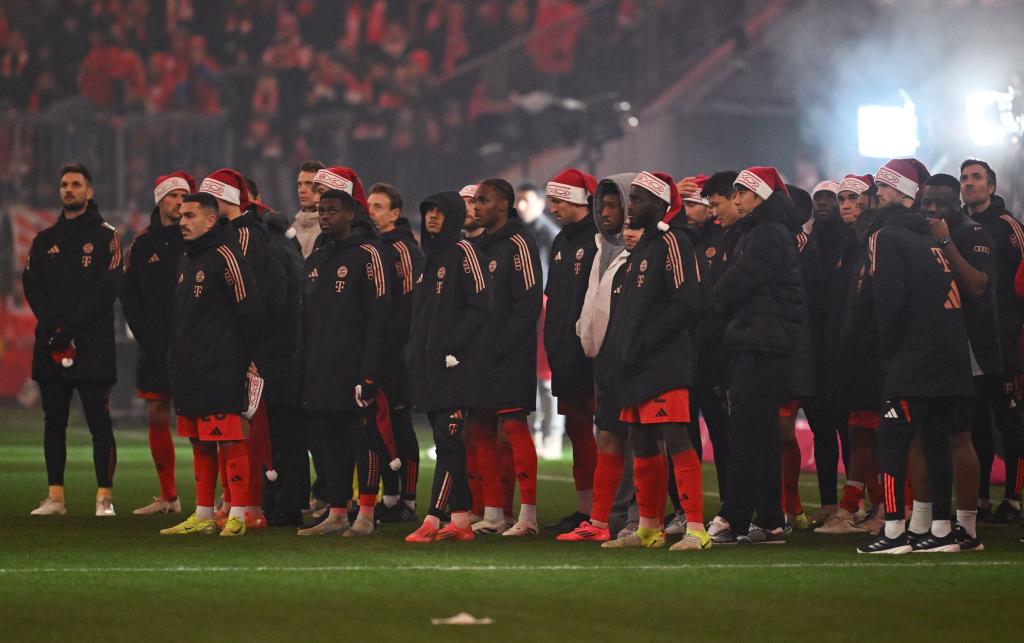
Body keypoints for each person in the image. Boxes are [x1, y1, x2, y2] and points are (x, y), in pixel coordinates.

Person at [857, 158, 972, 554]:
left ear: (902, 193)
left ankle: (892, 531)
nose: (876, 196)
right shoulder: (928, 237)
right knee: (936, 440)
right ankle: (941, 531)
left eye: (883, 189)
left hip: (912, 359)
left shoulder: (886, 236)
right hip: (949, 358)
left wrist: (887, 356)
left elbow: (889, 303)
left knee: (891, 441)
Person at [598, 171, 706, 551]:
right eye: (633, 199)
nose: (632, 208)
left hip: (665, 364)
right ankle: (649, 527)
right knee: (641, 441)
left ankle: (695, 528)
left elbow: (686, 303)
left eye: (641, 200)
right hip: (635, 366)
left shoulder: (674, 242)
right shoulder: (641, 250)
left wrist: (644, 344)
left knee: (676, 438)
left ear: (661, 206)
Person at [707, 167, 804, 545]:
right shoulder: (761, 232)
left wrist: (717, 293)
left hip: (760, 344)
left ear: (760, 197)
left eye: (742, 193)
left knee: (747, 434)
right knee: (759, 435)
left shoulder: (766, 234)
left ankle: (732, 517)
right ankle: (769, 520)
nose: (736, 201)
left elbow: (732, 286)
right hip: (758, 341)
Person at [159, 192, 262, 537]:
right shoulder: (188, 260)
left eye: (189, 216)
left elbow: (249, 314)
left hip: (221, 367)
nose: (182, 221)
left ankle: (238, 513)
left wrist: (241, 360)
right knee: (199, 441)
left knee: (230, 440)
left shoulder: (227, 257)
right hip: (189, 368)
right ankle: (203, 513)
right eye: (181, 215)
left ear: (210, 221)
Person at [24, 163, 123, 517]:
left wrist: (72, 326)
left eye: (76, 184)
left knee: (99, 422)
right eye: (64, 184)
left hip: (93, 345)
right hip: (52, 342)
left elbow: (108, 287)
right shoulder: (44, 239)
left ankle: (104, 497)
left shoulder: (106, 236)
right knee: (54, 423)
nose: (69, 189)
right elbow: (31, 286)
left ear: (89, 192)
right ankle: (55, 497)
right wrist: (55, 326)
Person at [296, 189, 391, 537]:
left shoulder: (370, 255)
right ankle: (337, 512)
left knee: (362, 438)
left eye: (332, 210)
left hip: (355, 369)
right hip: (321, 369)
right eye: (321, 210)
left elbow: (380, 319)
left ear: (351, 215)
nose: (324, 216)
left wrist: (369, 372)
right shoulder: (316, 260)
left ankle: (365, 512)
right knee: (329, 442)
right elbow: (305, 321)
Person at [404, 191, 491, 542]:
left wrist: (453, 346)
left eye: (440, 212)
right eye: (428, 212)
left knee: (448, 439)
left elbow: (482, 304)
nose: (432, 217)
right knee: (446, 441)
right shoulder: (429, 261)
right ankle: (459, 520)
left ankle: (436, 518)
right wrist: (414, 354)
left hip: (459, 367)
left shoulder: (464, 251)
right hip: (431, 369)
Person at [558, 172, 637, 542]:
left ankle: (641, 519)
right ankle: (606, 520)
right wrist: (584, 334)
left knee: (642, 443)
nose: (604, 213)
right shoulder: (599, 246)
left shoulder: (648, 246)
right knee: (607, 437)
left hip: (637, 361)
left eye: (612, 205)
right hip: (603, 359)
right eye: (600, 205)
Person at [914, 173, 989, 551]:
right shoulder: (915, 234)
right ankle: (923, 523)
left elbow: (977, 285)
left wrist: (944, 241)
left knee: (960, 435)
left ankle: (967, 528)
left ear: (955, 202)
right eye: (926, 201)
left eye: (939, 202)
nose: (930, 209)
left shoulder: (973, 234)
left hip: (968, 351)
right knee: (923, 435)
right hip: (929, 348)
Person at [470, 179, 544, 536]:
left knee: (513, 426)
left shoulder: (520, 244)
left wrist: (500, 346)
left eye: (483, 201)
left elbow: (529, 303)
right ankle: (494, 512)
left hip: (511, 353)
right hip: (480, 357)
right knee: (481, 428)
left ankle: (528, 516)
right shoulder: (478, 247)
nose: (476, 207)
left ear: (503, 205)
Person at [816, 173, 887, 535]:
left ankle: (885, 509)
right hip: (849, 352)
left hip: (874, 354)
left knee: (876, 433)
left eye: (854, 198)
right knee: (859, 431)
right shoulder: (847, 244)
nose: (847, 205)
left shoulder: (876, 243)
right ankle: (857, 506)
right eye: (842, 198)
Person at [121, 171, 193, 515]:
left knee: (202, 418)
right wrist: (147, 337)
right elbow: (128, 296)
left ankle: (215, 499)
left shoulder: (196, 240)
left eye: (183, 197)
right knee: (156, 413)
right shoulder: (142, 244)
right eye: (172, 197)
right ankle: (169, 497)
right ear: (160, 201)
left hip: (194, 346)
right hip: (154, 347)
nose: (179, 203)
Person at [960, 158, 1024, 523]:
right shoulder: (957, 226)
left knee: (1010, 422)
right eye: (964, 178)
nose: (969, 184)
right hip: (970, 342)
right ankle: (980, 497)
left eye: (976, 177)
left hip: (1005, 343)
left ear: (992, 186)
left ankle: (1013, 499)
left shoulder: (1009, 228)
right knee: (976, 423)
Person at [542, 168, 599, 532]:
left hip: (591, 352)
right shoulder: (561, 240)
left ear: (580, 200)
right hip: (564, 350)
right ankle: (585, 508)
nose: (553, 206)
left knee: (606, 431)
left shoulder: (599, 239)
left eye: (560, 199)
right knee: (577, 430)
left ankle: (611, 508)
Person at [368, 182, 425, 523]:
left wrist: (402, 350)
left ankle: (409, 500)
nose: (372, 212)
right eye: (370, 206)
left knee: (402, 426)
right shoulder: (377, 247)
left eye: (379, 207)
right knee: (381, 425)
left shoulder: (403, 249)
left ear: (394, 213)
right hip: (380, 351)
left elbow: (408, 305)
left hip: (398, 353)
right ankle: (390, 498)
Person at [258, 198, 307, 527]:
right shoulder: (290, 249)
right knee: (289, 432)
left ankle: (283, 503)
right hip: (291, 352)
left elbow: (272, 304)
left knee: (280, 431)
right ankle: (287, 500)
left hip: (277, 354)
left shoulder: (272, 253)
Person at [517, 182, 562, 457]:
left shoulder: (551, 235)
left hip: (546, 310)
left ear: (541, 203)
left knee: (547, 378)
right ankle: (532, 433)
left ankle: (552, 436)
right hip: (522, 312)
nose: (521, 206)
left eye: (526, 200)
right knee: (526, 376)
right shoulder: (516, 234)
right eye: (518, 201)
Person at [290, 160, 326, 258]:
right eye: (299, 184)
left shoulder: (329, 228)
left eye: (309, 184)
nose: (302, 190)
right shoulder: (293, 227)